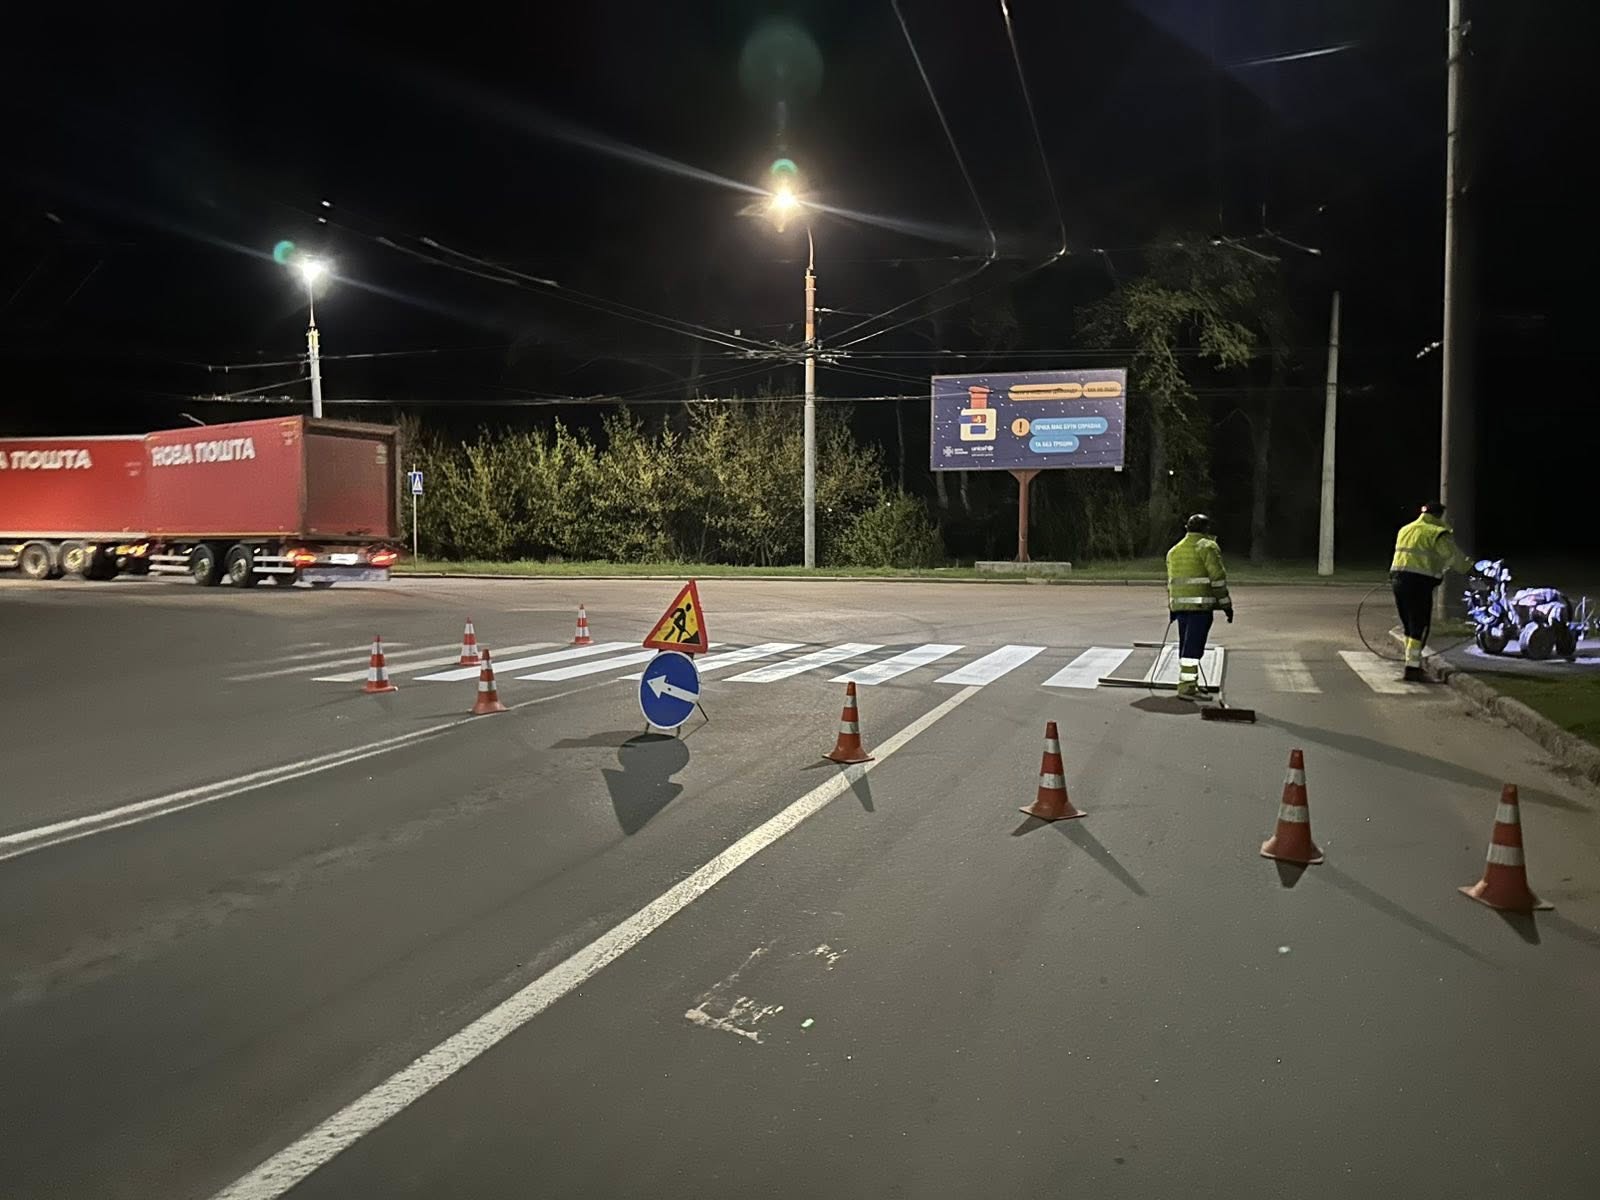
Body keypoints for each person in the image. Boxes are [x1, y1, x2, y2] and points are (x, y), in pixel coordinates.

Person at [1390, 502, 1472, 681]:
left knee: (1409, 625)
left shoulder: (1406, 529)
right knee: (1419, 625)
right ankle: (1412, 669)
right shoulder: (1437, 533)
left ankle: (1411, 662)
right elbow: (1453, 557)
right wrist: (1471, 569)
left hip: (1398, 581)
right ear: (1439, 515)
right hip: (1418, 584)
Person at [1165, 513, 1233, 700]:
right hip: (1200, 608)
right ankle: (1186, 688)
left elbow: (1171, 583)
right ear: (1206, 529)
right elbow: (1217, 580)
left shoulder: (1174, 551)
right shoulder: (1207, 547)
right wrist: (1226, 605)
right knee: (1193, 648)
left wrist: (1172, 608)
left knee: (1186, 645)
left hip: (1180, 607)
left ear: (1187, 528)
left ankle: (1189, 683)